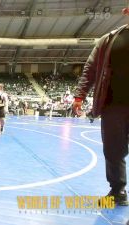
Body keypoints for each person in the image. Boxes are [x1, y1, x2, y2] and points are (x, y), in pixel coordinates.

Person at [72, 15, 129, 206]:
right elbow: (91, 69)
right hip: (112, 105)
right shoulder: (109, 39)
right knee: (113, 150)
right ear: (126, 11)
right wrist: (79, 95)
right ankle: (117, 191)